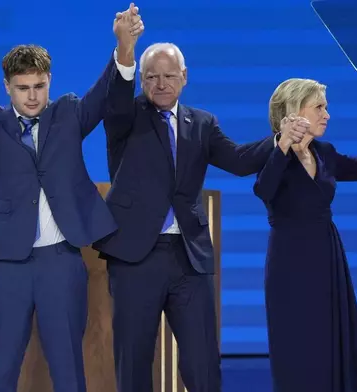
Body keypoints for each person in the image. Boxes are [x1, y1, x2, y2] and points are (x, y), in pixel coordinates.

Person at [0, 5, 144, 392]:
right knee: (1, 367)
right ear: (7, 87)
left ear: (49, 82)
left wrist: (124, 48)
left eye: (39, 86)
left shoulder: (69, 113)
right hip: (8, 264)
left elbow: (106, 93)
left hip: (61, 262)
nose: (32, 96)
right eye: (23, 88)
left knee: (67, 368)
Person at [93, 41, 307, 391]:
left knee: (202, 361)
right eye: (151, 77)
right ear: (142, 80)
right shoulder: (126, 116)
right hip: (134, 258)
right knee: (133, 359)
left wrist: (278, 140)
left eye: (169, 76)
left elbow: (239, 160)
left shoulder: (203, 123)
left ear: (185, 77)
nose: (161, 84)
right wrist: (125, 49)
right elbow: (117, 94)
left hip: (189, 259)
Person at [253, 77, 357, 392]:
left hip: (327, 258)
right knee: (297, 344)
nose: (327, 115)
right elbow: (263, 189)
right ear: (294, 111)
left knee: (330, 340)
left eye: (326, 107)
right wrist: (283, 146)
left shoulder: (324, 152)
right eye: (319, 107)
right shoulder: (271, 152)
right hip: (290, 263)